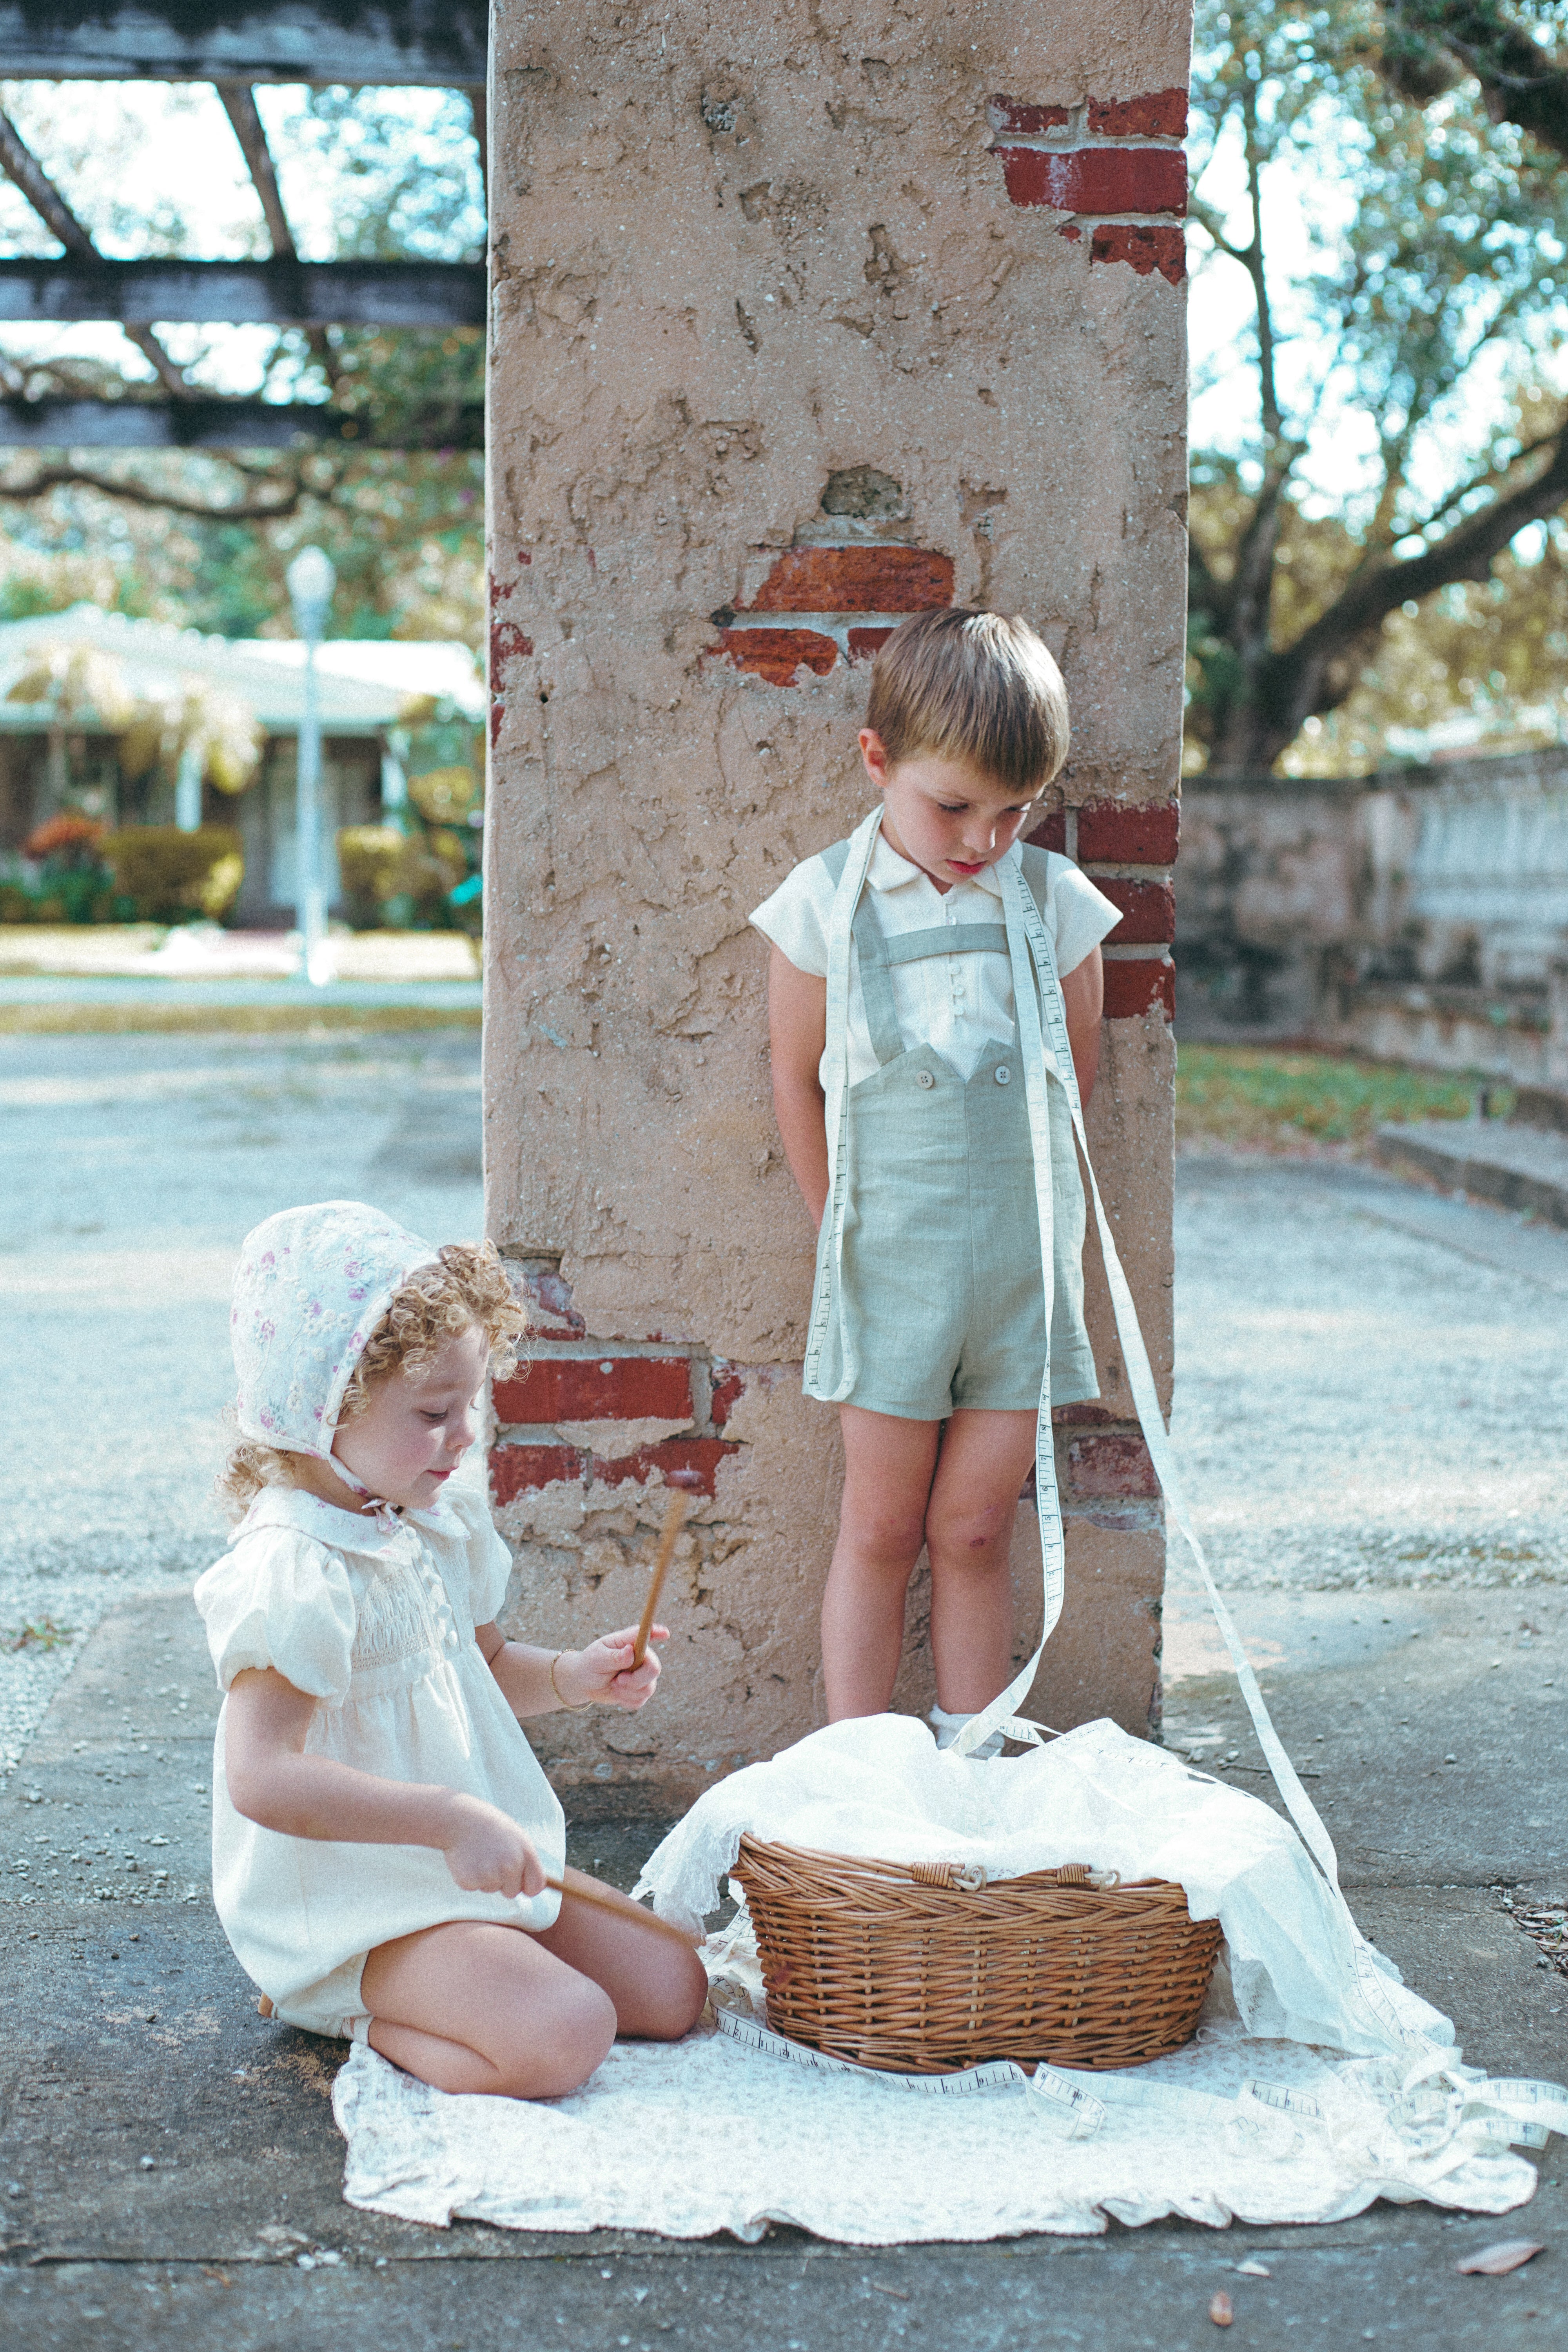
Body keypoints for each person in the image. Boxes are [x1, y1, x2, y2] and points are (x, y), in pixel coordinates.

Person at [194, 1201, 708, 2100]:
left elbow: (485, 1668)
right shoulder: (295, 1568)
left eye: (469, 1403)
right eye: (435, 1412)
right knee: (566, 2033)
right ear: (323, 1413)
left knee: (674, 1987)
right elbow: (262, 1777)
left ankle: (475, 1974)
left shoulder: (429, 1522)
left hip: (461, 1868)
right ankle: (338, 2006)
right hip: (360, 1908)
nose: (465, 1434)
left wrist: (574, 1677)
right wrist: (447, 1819)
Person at [750, 608, 1120, 1756]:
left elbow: (1073, 1083)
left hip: (1017, 1273)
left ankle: (973, 1764)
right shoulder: (823, 902)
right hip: (885, 1267)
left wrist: (1033, 1229)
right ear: (876, 761)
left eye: (1014, 811)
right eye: (953, 806)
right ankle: (860, 1779)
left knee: (973, 1529)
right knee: (880, 1525)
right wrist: (838, 1231)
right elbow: (795, 1079)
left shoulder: (1053, 902)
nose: (983, 838)